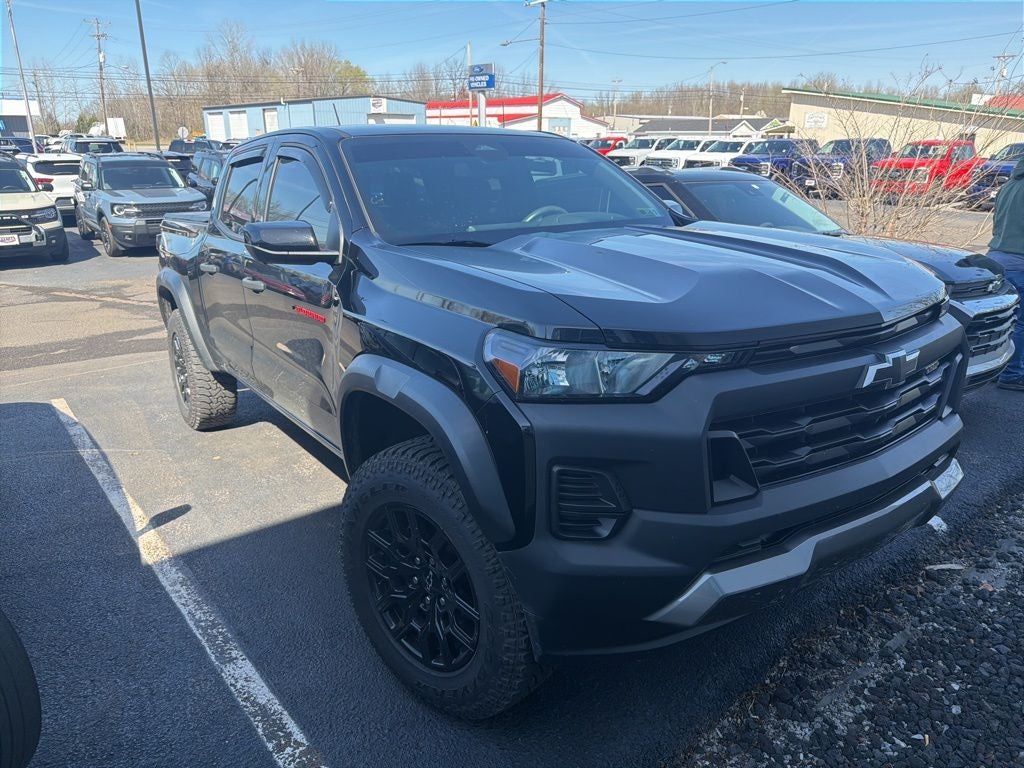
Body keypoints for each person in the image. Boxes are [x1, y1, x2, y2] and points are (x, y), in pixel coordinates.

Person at [988, 155, 1024, 391]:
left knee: (1001, 321)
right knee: (1021, 323)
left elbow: (996, 224)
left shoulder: (1008, 186)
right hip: (1021, 261)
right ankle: (1012, 374)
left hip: (997, 258)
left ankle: (995, 367)